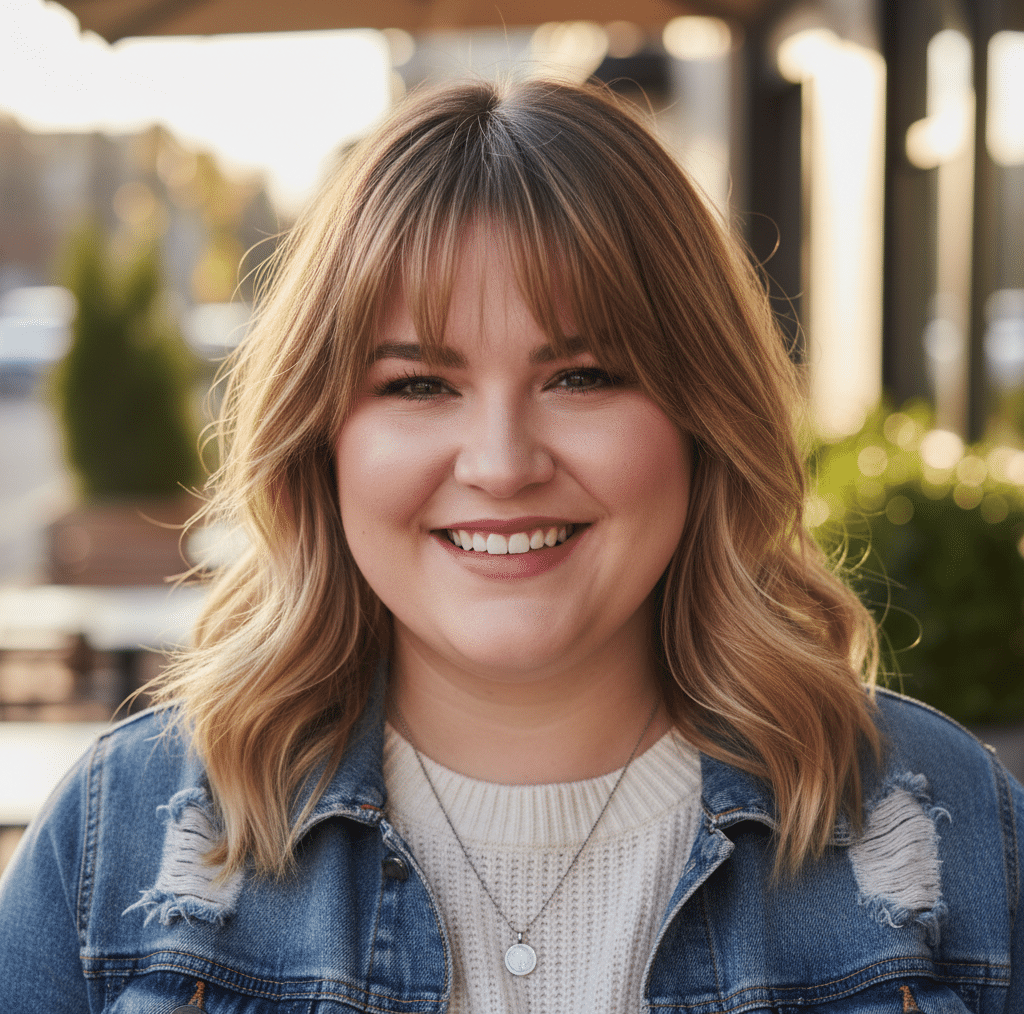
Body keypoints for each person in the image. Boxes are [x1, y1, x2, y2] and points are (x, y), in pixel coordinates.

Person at [1, 78, 1021, 1014]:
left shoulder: (948, 826)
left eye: (581, 376)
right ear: (323, 439)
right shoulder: (116, 842)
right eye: (417, 383)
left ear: (702, 419)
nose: (500, 462)